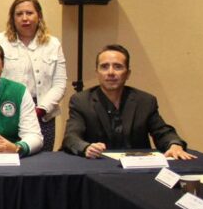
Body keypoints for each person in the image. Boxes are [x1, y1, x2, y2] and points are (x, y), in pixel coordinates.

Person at [62, 44, 194, 160]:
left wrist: (174, 144)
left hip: (137, 168)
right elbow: (71, 137)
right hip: (97, 165)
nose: (110, 72)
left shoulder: (145, 101)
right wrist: (86, 147)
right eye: (104, 67)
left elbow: (163, 132)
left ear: (128, 73)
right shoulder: (81, 101)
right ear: (97, 72)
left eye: (118, 67)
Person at [0, 0, 67, 152]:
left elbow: (60, 84)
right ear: (12, 18)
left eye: (29, 13)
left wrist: (41, 109)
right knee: (9, 155)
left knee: (42, 159)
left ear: (39, 15)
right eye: (19, 14)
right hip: (9, 110)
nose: (24, 18)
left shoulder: (53, 44)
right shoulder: (1, 41)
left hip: (43, 113)